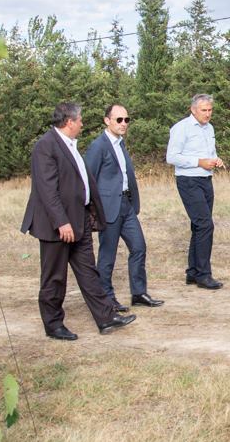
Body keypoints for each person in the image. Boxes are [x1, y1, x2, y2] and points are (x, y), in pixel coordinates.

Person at [20, 102, 136, 340]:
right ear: (69, 122)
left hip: (78, 219)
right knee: (54, 276)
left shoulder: (70, 144)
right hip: (57, 225)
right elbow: (47, 190)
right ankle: (53, 325)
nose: (83, 124)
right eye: (80, 120)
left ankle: (106, 317)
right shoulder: (46, 146)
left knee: (88, 272)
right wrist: (61, 222)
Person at [84, 104, 163, 312]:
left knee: (138, 247)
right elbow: (88, 178)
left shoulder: (121, 144)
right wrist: (93, 209)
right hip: (108, 208)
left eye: (127, 120)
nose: (124, 124)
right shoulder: (98, 146)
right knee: (107, 255)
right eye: (119, 120)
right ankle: (106, 299)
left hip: (127, 205)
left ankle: (138, 293)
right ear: (107, 120)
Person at [165, 93, 225, 290]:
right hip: (188, 180)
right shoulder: (181, 128)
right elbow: (171, 157)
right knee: (206, 225)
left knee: (199, 226)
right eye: (204, 110)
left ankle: (192, 272)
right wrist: (199, 162)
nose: (207, 114)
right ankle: (203, 275)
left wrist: (215, 159)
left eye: (210, 110)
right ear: (193, 110)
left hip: (206, 180)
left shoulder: (209, 128)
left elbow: (210, 153)